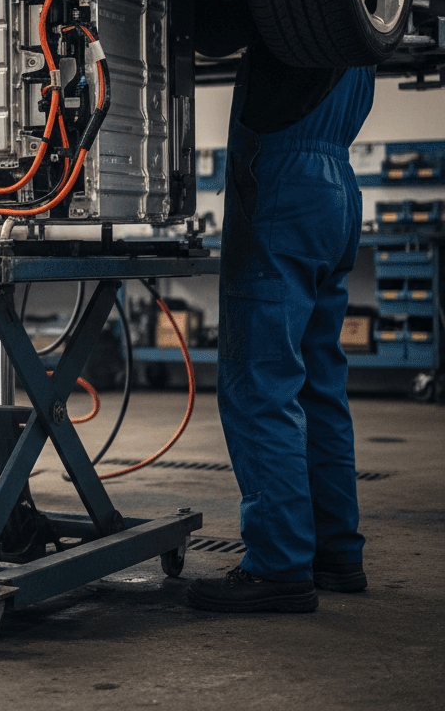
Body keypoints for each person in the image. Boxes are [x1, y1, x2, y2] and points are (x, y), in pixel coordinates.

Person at [187, 40, 373, 612]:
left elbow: (214, 21)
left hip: (284, 187)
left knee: (260, 382)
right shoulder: (360, 3)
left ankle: (278, 566)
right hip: (335, 185)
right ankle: (336, 554)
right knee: (318, 381)